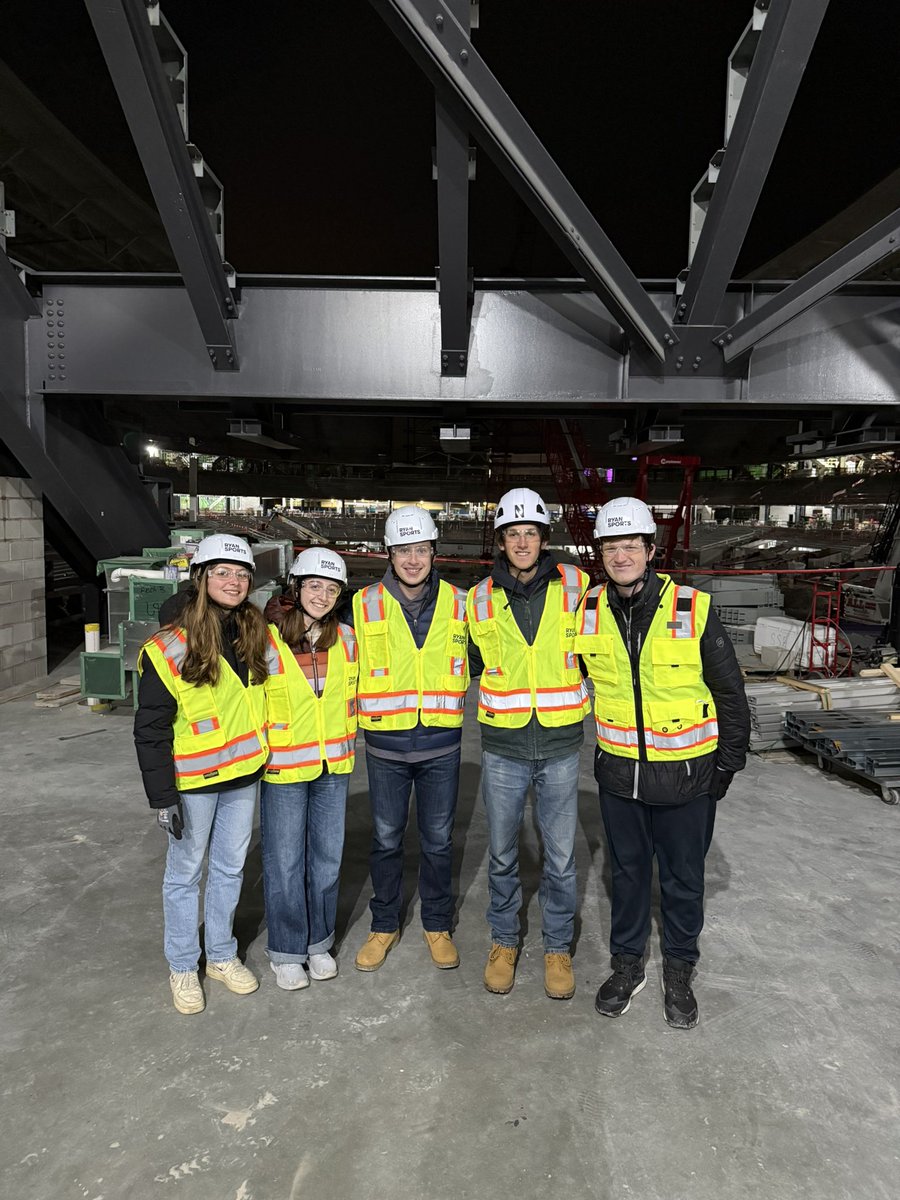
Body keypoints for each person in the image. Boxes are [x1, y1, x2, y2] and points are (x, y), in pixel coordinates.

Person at [576, 496, 750, 1029]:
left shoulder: (693, 607)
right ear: (600, 553)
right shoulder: (586, 610)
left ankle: (679, 967)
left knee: (682, 879)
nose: (621, 555)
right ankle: (628, 964)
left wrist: (727, 765)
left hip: (687, 777)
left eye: (631, 545)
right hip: (618, 774)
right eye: (611, 546)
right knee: (626, 876)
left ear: (651, 550)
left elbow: (730, 692)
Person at [134, 533, 269, 1015]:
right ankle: (182, 965)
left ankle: (220, 956)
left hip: (243, 776)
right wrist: (161, 797)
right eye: (222, 572)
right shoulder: (170, 647)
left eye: (241, 574)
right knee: (184, 876)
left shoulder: (253, 631)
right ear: (201, 578)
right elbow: (150, 730)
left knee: (231, 870)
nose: (233, 582)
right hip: (192, 784)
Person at [467, 488, 590, 1000]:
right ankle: (504, 940)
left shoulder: (578, 586)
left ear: (544, 539)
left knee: (560, 857)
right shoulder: (476, 598)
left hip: (561, 742)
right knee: (501, 853)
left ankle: (557, 947)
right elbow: (465, 662)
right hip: (503, 745)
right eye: (513, 534)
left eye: (530, 533)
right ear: (501, 540)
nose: (522, 542)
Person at [353, 506, 469, 972]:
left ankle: (436, 924)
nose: (413, 559)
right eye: (404, 550)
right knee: (385, 839)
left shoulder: (462, 603)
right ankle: (384, 925)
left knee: (438, 841)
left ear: (434, 551)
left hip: (442, 746)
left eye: (421, 549)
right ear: (390, 553)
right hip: (386, 749)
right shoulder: (362, 605)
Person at [260, 548, 358, 990]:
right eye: (314, 586)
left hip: (333, 765)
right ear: (295, 589)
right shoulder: (265, 639)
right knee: (284, 863)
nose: (322, 595)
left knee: (327, 859)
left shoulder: (349, 640)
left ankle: (319, 942)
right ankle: (286, 950)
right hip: (283, 767)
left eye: (331, 588)